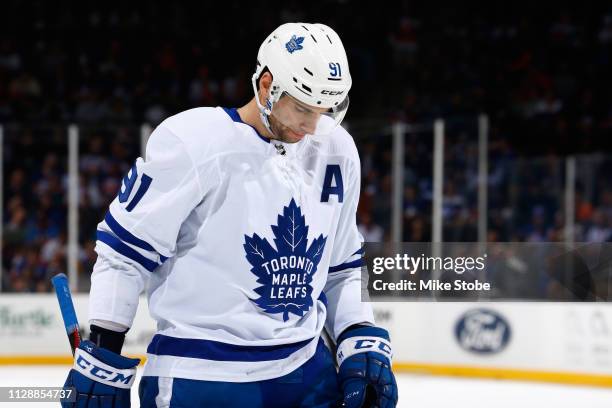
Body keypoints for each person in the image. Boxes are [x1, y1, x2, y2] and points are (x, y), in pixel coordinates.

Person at [62, 22, 398, 408]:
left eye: (326, 110)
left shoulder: (336, 148)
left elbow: (343, 263)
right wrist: (103, 351)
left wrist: (358, 335)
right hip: (200, 375)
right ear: (267, 85)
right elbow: (123, 255)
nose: (312, 125)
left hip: (307, 369)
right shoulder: (193, 141)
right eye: (303, 108)